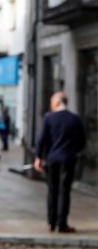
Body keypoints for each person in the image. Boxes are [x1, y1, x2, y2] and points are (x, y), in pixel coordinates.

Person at [34, 92, 86, 233]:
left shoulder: (49, 118)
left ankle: (51, 222)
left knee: (52, 190)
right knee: (64, 191)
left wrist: (38, 157)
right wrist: (73, 151)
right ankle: (62, 224)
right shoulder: (75, 119)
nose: (50, 104)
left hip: (52, 159)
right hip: (68, 159)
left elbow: (41, 139)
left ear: (57, 103)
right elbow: (82, 141)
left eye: (52, 101)